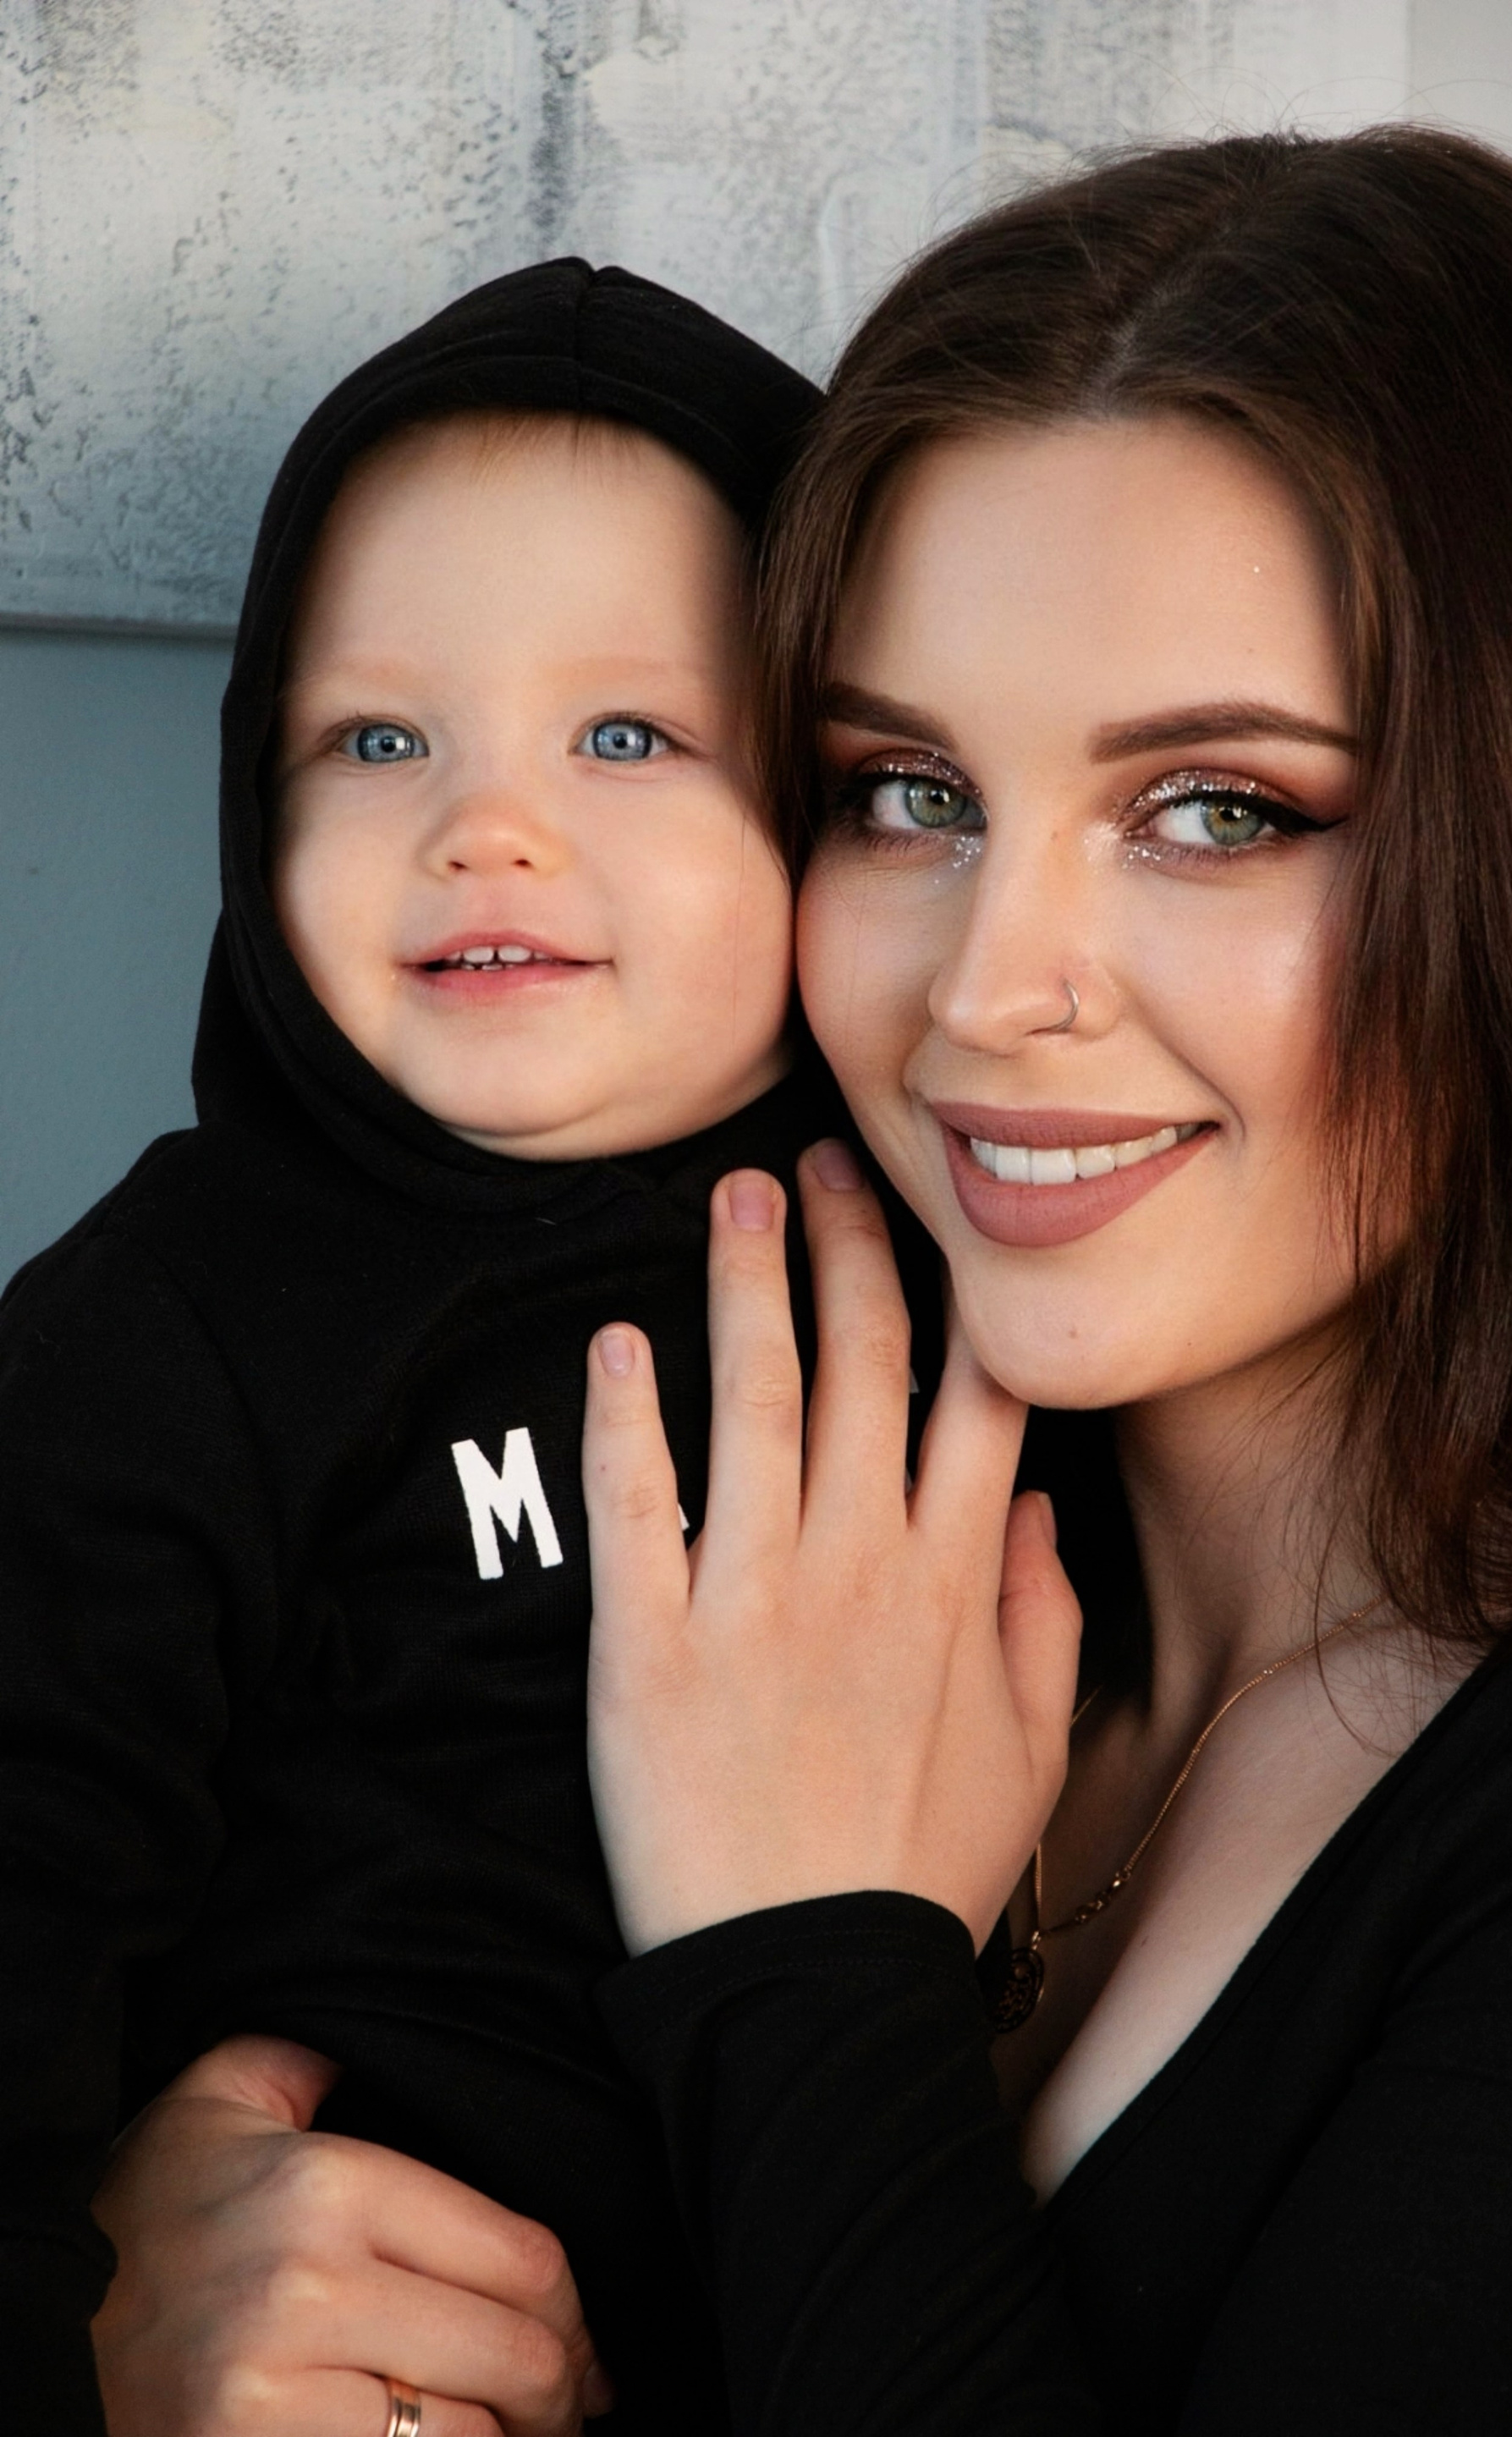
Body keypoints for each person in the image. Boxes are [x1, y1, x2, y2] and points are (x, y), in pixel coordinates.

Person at [88, 128, 1512, 2434]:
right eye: (906, 790)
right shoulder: (633, 1529)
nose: (990, 988)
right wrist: (144, 2305)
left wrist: (799, 1963)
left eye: (1219, 809)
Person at [0, 256, 830, 2434]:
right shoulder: (171, 1329)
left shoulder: (959, 1270)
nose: (489, 825)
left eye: (629, 736)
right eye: (377, 739)